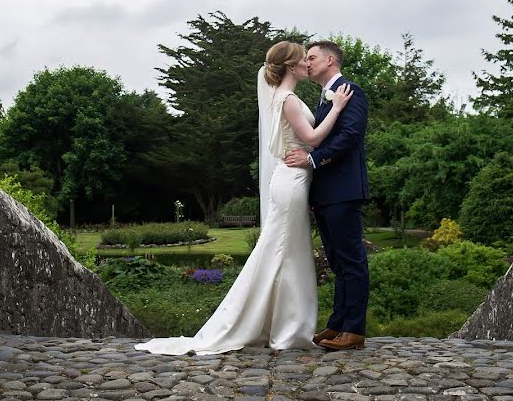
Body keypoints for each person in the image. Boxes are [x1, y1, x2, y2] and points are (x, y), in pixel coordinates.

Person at [135, 41, 353, 355]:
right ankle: (287, 330)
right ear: (292, 66)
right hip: (292, 178)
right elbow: (313, 138)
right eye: (303, 59)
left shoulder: (283, 96)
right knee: (287, 253)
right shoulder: (288, 99)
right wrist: (337, 108)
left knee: (284, 250)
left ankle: (277, 325)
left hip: (293, 178)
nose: (308, 63)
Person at [284, 40, 370, 351]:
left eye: (312, 57)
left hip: (344, 190)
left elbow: (350, 136)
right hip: (326, 192)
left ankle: (354, 330)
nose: (306, 63)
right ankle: (337, 325)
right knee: (337, 261)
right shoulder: (326, 98)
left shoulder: (350, 90)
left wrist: (313, 160)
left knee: (352, 260)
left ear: (330, 59)